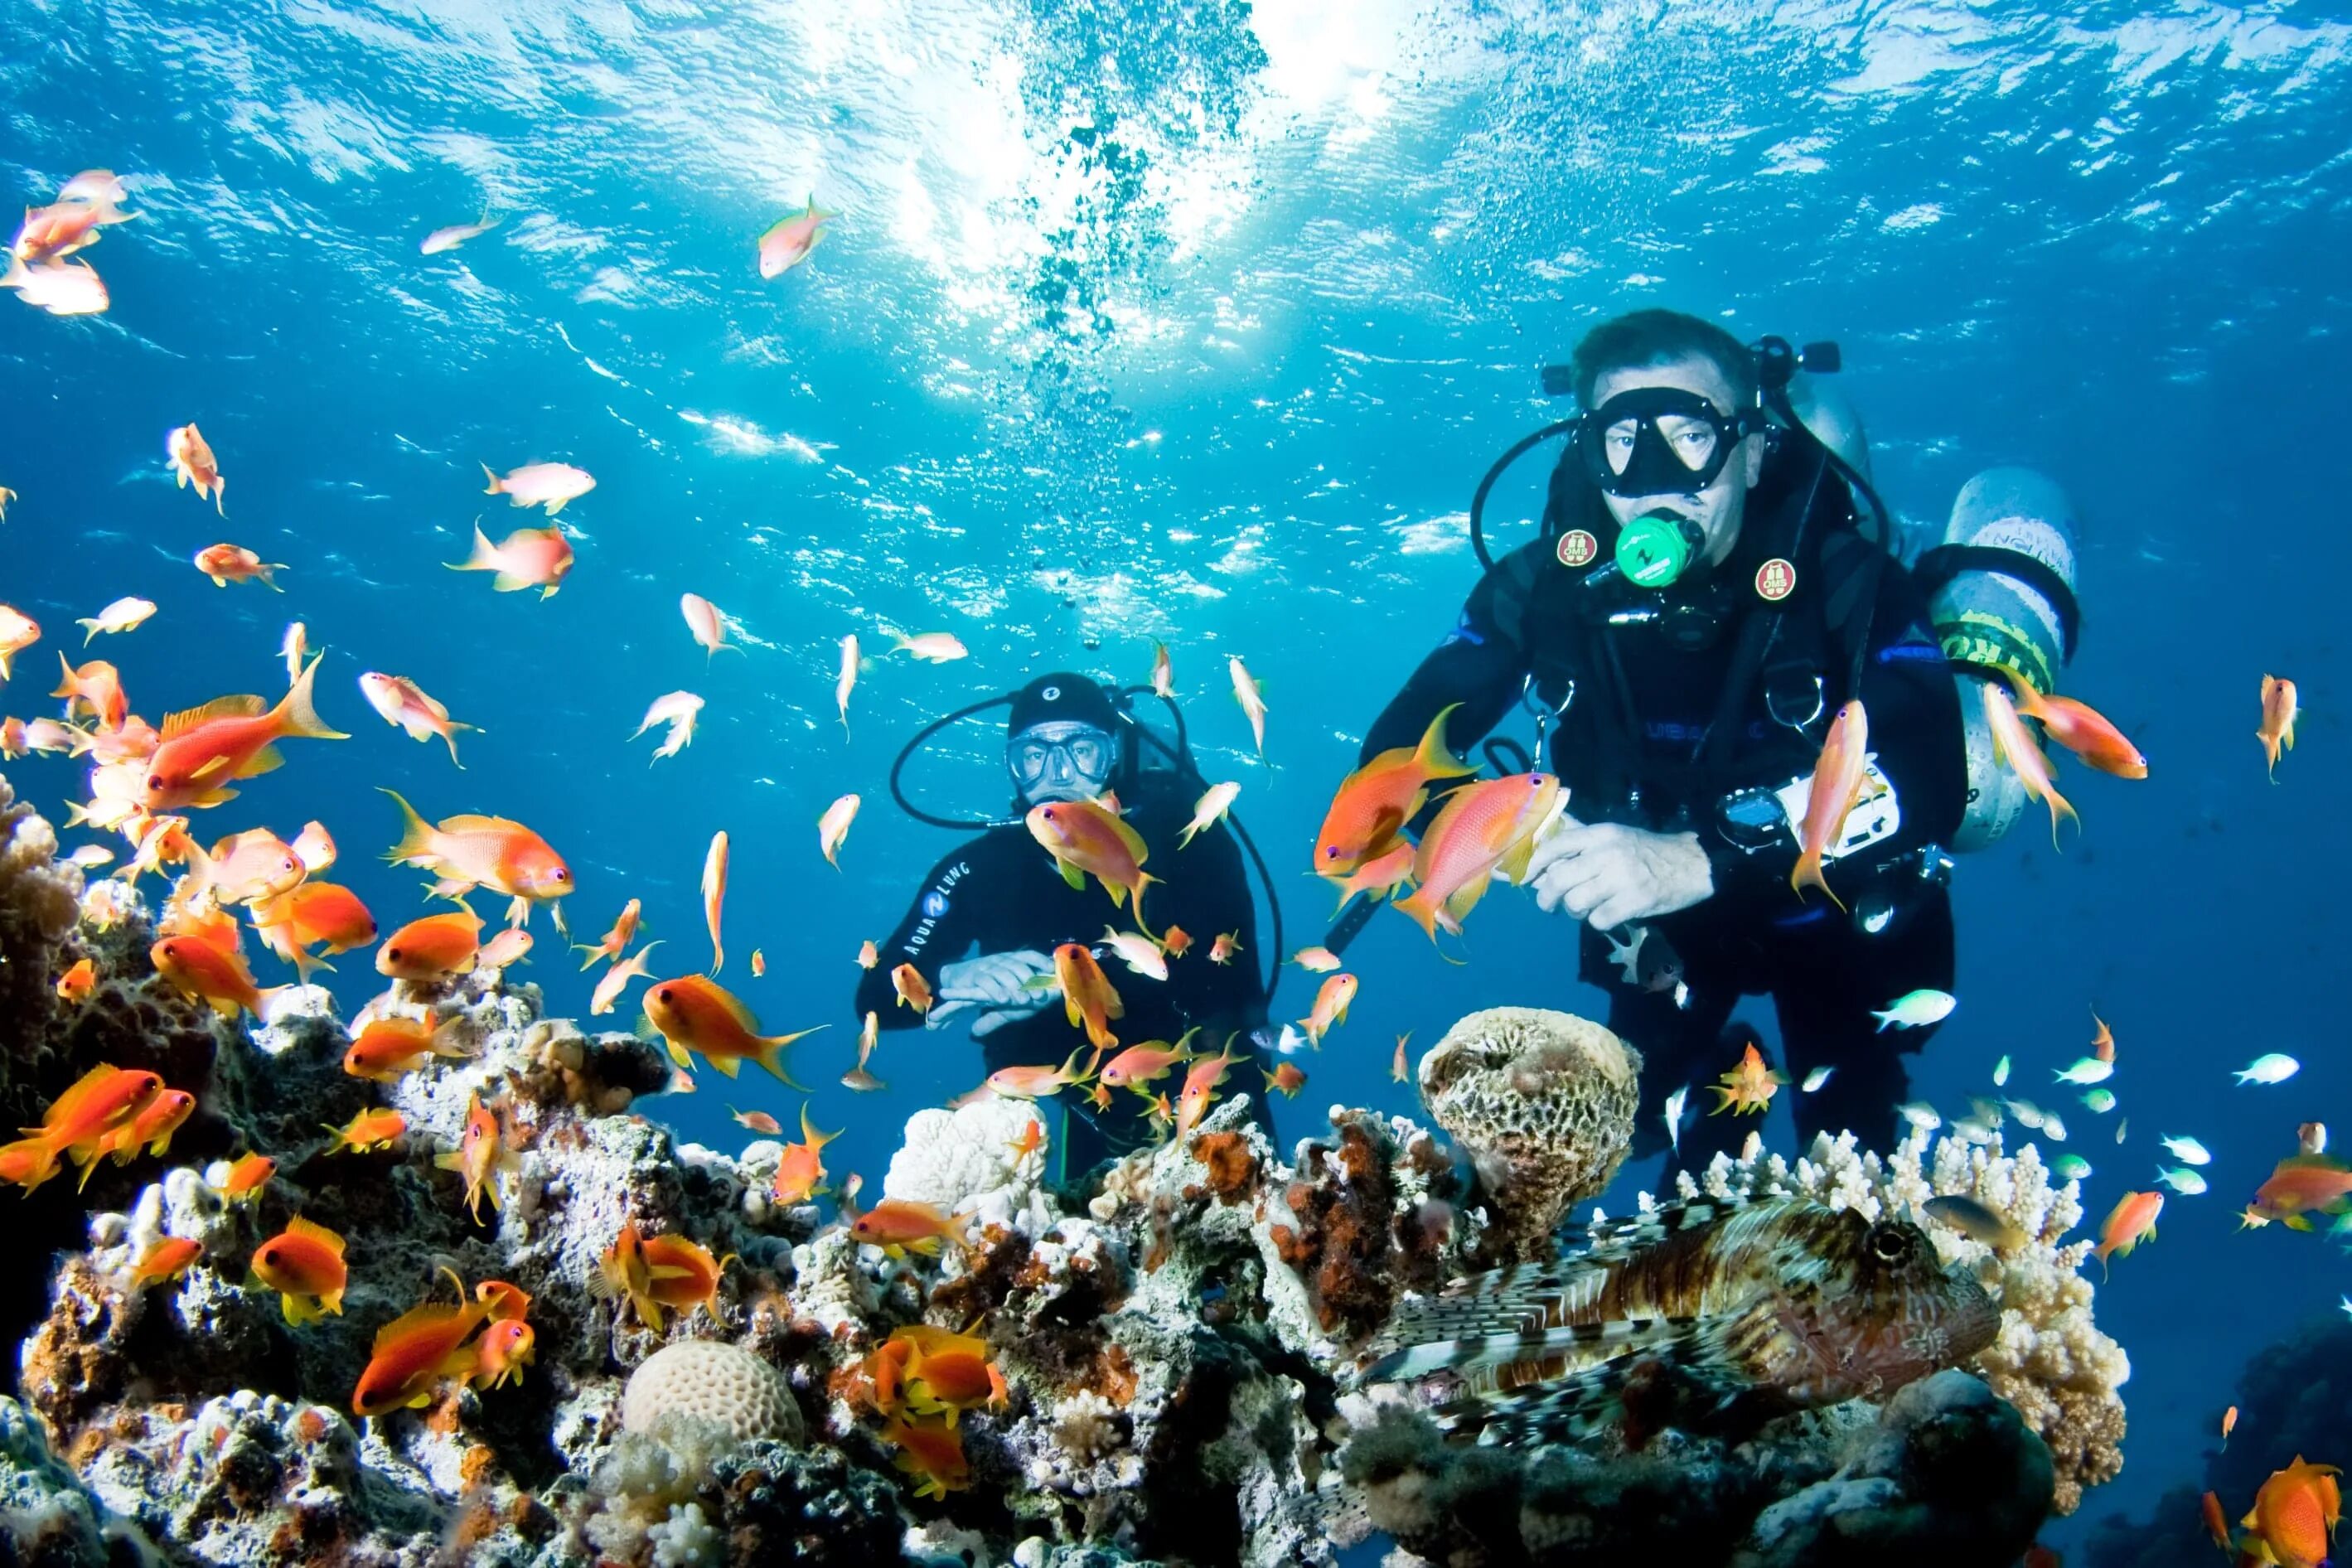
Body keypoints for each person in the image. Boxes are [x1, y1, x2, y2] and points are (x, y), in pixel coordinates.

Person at [1358, 308, 1966, 1165]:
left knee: (1853, 1161)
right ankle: (1714, 1116)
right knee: (1641, 1135)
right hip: (1656, 939)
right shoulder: (1542, 590)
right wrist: (1510, 834)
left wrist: (1700, 856)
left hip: (1826, 921)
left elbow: (1935, 774)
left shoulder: (1843, 579)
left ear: (1753, 451)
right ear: (1586, 452)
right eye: (1620, 440)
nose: (1654, 479)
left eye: (1691, 435)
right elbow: (1385, 769)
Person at [855, 673, 1271, 1179]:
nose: (1058, 772)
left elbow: (1239, 993)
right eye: (1034, 755)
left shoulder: (1188, 843)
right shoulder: (980, 869)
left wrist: (1066, 983)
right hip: (1089, 1105)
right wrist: (943, 981)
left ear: (1114, 754)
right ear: (1012, 765)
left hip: (1211, 1092)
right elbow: (873, 999)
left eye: (1083, 750)